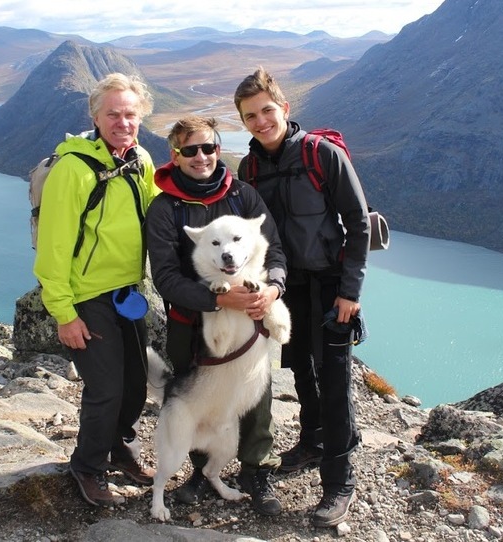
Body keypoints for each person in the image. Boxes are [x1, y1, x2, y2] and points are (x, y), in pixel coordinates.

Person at [233, 67, 371, 527]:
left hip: (331, 285)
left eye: (267, 111)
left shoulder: (321, 154)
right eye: (250, 116)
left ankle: (339, 481)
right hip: (285, 289)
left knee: (334, 382)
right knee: (301, 371)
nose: (260, 121)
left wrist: (350, 292)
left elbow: (359, 222)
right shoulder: (248, 169)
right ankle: (312, 442)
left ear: (285, 109)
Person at [145, 115, 288, 516]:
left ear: (217, 148)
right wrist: (219, 301)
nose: (201, 157)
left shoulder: (242, 196)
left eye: (208, 147)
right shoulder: (165, 209)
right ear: (175, 155)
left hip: (252, 319)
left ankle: (257, 470)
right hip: (192, 324)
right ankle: (199, 470)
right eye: (190, 150)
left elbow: (274, 251)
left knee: (254, 394)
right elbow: (166, 277)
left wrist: (274, 287)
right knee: (198, 397)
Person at [33, 72, 160, 507]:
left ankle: (119, 448)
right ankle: (87, 466)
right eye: (113, 114)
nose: (123, 122)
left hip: (127, 291)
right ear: (95, 116)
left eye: (130, 114)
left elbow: (157, 208)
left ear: (140, 116)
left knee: (137, 385)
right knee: (106, 388)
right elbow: (53, 246)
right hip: (87, 297)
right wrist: (64, 313)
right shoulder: (73, 168)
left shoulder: (139, 159)